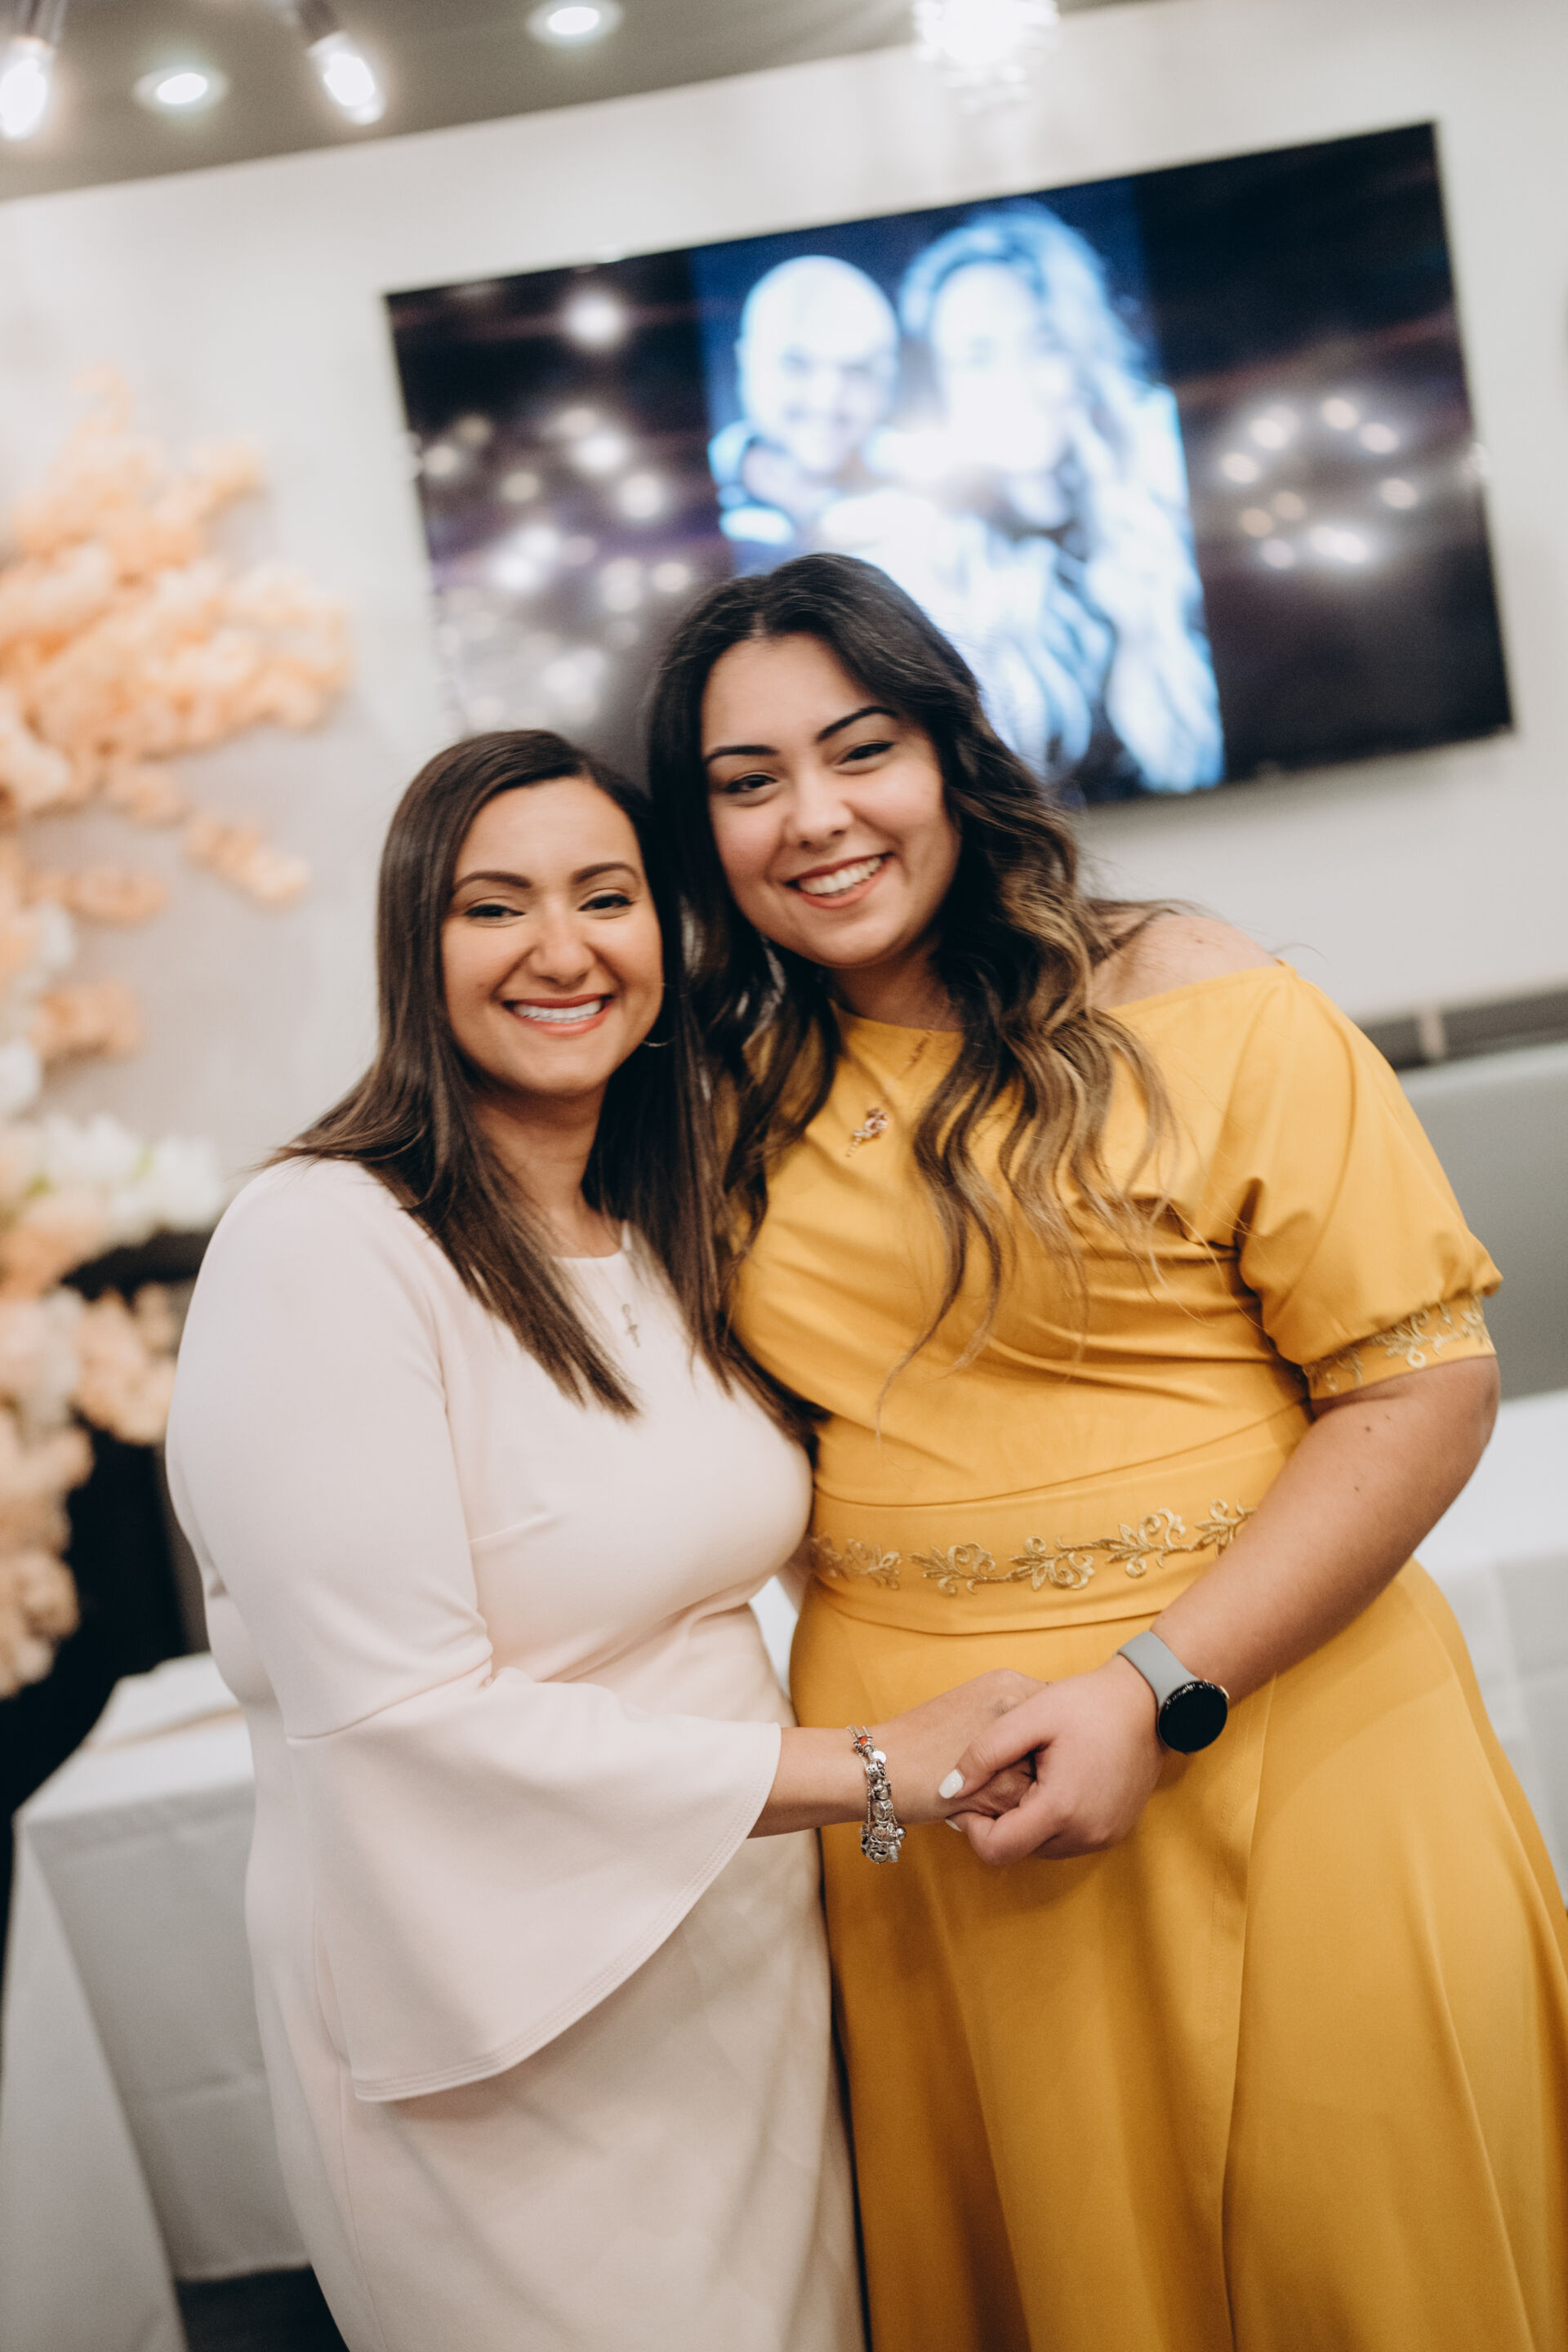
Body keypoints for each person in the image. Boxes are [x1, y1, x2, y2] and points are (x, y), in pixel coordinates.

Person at [644, 555, 1568, 2352]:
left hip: (1281, 1729)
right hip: (936, 1818)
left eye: (861, 749)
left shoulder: (1192, 994)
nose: (814, 818)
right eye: (747, 783)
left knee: (1367, 2247)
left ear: (951, 754)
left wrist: (1156, 1691)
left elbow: (1421, 1389)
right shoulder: (702, 1105)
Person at [165, 728, 1036, 2352]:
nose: (561, 950)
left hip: (740, 1962)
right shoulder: (324, 1243)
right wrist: (872, 1771)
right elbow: (398, 1722)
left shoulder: (665, 1221)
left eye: (606, 897)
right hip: (500, 2025)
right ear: (414, 943)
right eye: (494, 907)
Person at [823, 202, 1223, 798]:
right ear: (940, 385)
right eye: (977, 358)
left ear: (1082, 353)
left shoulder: (1165, 502)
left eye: (1043, 345)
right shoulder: (914, 567)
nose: (1018, 383)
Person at [709, 255, 899, 557]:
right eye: (796, 364)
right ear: (747, 361)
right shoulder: (690, 491)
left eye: (857, 369)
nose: (826, 399)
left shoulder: (932, 503)